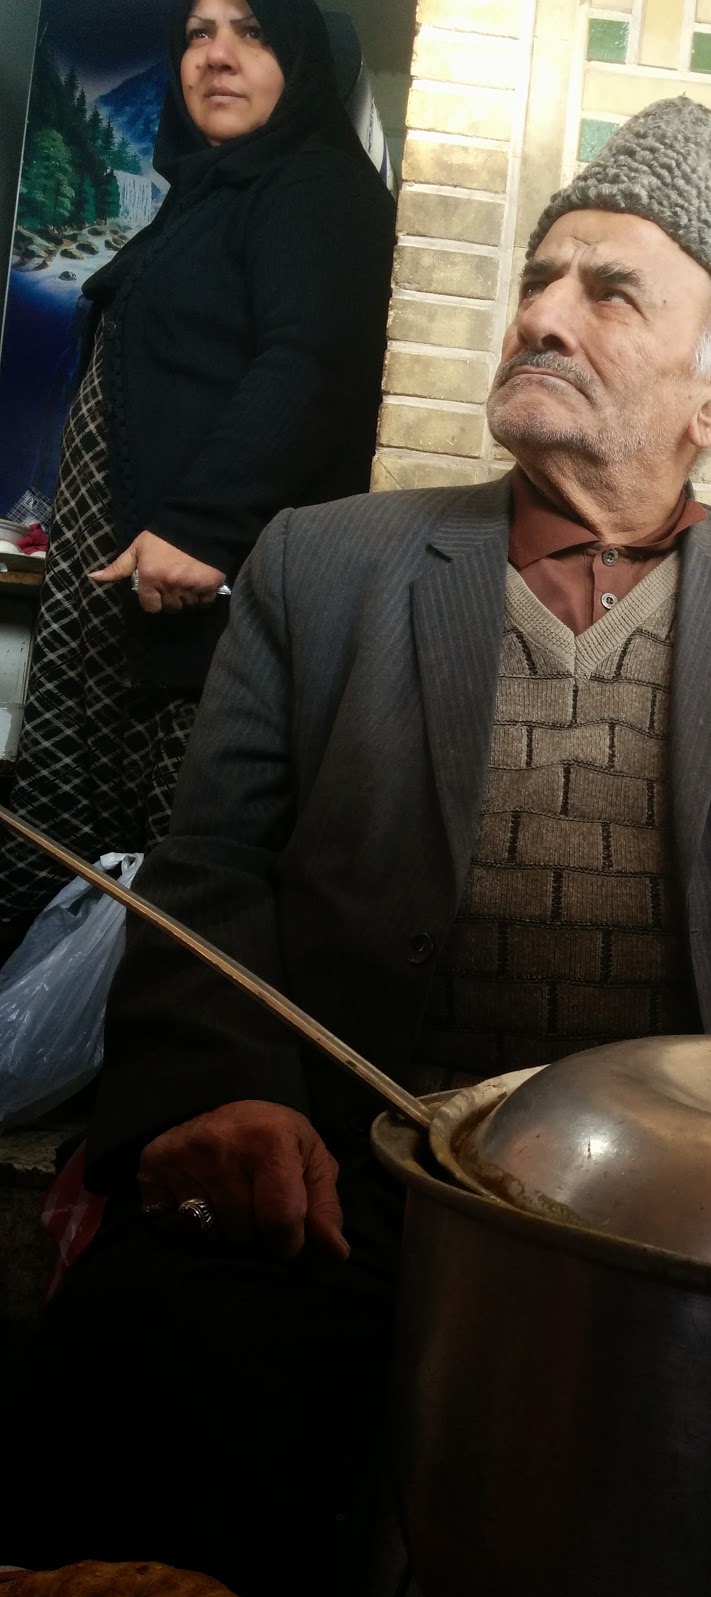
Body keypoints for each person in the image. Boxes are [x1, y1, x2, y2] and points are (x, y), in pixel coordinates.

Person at [0, 99, 711, 1597]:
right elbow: (208, 883)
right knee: (152, 1351)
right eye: (539, 280)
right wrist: (221, 1096)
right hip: (346, 1195)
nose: (541, 314)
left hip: (696, 1238)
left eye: (608, 290)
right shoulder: (325, 567)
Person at [0, 0, 395, 943]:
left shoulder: (316, 189)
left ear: (303, 61)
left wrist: (205, 527)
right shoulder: (213, 194)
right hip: (125, 591)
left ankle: (176, 1082)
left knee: (190, 879)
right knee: (87, 860)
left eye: (252, 33)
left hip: (200, 605)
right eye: (196, 34)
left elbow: (313, 364)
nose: (215, 57)